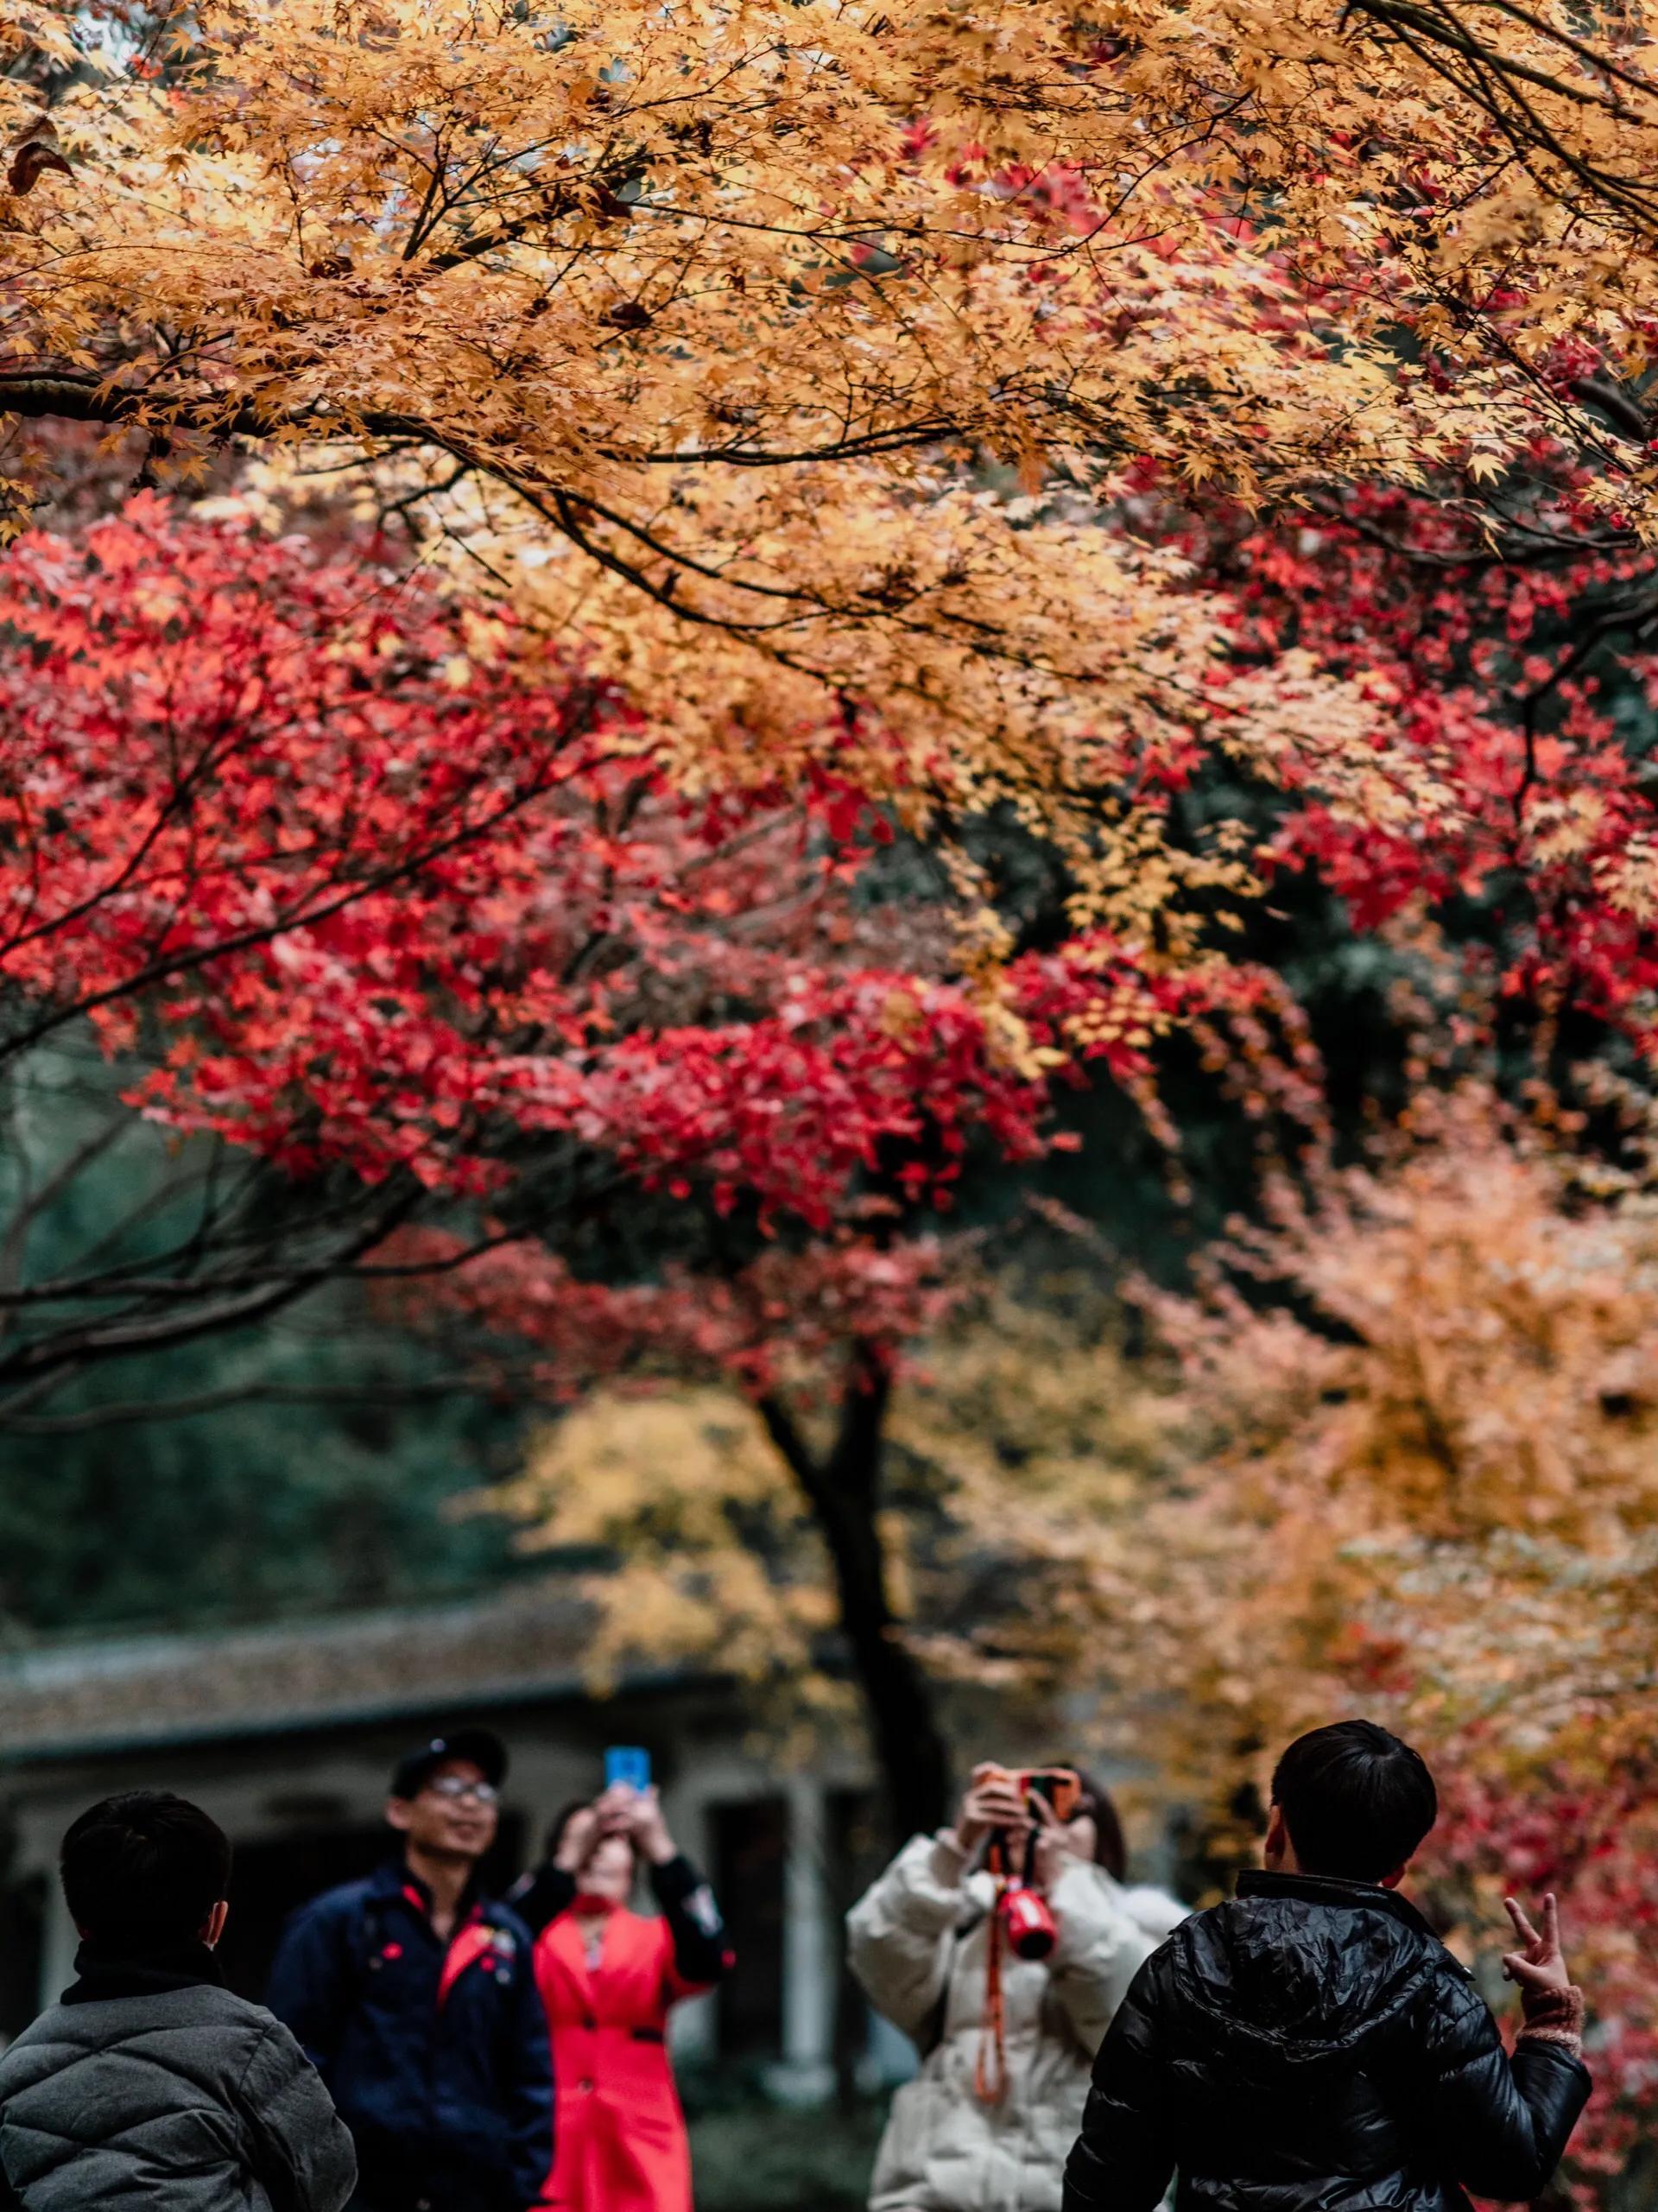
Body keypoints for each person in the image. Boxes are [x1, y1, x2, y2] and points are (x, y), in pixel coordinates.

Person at [1064, 1719, 1593, 2212]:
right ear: (1397, 1869)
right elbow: (1507, 2172)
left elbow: (1109, 2182)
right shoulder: (1432, 1984)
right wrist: (1550, 2024)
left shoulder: (1184, 1961)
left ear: (1276, 1828)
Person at [0, 1789, 357, 2212]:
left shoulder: (21, 2064)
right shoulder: (250, 2043)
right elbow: (328, 2180)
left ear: (80, 1923)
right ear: (215, 1921)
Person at [848, 1761, 1180, 2212]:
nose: (1044, 1823)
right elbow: (877, 1951)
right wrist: (955, 1848)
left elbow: (1121, 2026)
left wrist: (1063, 1882)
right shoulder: (964, 1921)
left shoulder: (1147, 1930)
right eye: (1028, 1806)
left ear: (1104, 1836)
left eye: (1069, 1811)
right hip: (934, 2196)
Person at [267, 1727, 552, 2212]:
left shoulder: (507, 1938)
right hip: (359, 2193)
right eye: (447, 1787)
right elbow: (290, 2062)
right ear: (399, 1810)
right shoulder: (339, 1921)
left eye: (483, 1791)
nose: (469, 1804)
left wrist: (522, 2187)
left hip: (475, 2193)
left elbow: (531, 2075)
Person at [507, 1782, 734, 2212]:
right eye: (587, 1838)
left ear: (633, 1859)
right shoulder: (530, 1937)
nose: (598, 1851)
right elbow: (493, 1945)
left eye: (612, 1840)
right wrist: (560, 1868)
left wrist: (660, 1846)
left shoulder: (658, 1939)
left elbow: (711, 1956)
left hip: (641, 2148)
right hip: (547, 2147)